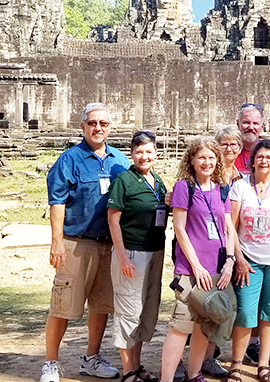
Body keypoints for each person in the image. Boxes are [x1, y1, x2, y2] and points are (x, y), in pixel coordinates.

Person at [41, 103, 130, 382]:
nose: (98, 128)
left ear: (110, 127)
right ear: (82, 126)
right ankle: (51, 362)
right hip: (77, 243)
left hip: (109, 244)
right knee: (63, 304)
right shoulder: (70, 159)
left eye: (103, 123)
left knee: (102, 305)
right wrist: (56, 242)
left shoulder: (119, 161)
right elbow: (57, 203)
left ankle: (91, 358)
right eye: (92, 123)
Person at [160, 137, 237, 382]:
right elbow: (180, 229)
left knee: (205, 324)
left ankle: (195, 374)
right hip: (190, 269)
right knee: (181, 326)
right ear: (192, 160)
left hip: (216, 268)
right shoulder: (185, 187)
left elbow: (228, 228)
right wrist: (195, 265)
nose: (207, 162)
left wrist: (230, 261)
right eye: (201, 157)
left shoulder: (221, 189)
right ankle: (167, 378)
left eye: (211, 158)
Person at [228, 139, 270, 382]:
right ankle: (236, 363)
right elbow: (232, 227)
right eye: (260, 157)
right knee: (246, 313)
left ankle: (263, 364)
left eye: (269, 157)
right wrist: (239, 259)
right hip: (248, 261)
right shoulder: (241, 187)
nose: (264, 161)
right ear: (252, 161)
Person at [107, 131, 168, 382]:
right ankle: (128, 369)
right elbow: (113, 219)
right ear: (132, 154)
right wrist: (122, 256)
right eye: (139, 151)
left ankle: (138, 363)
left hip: (155, 251)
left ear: (156, 153)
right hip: (132, 251)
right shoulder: (124, 180)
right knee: (129, 310)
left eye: (149, 151)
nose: (144, 156)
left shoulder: (158, 181)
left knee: (146, 311)